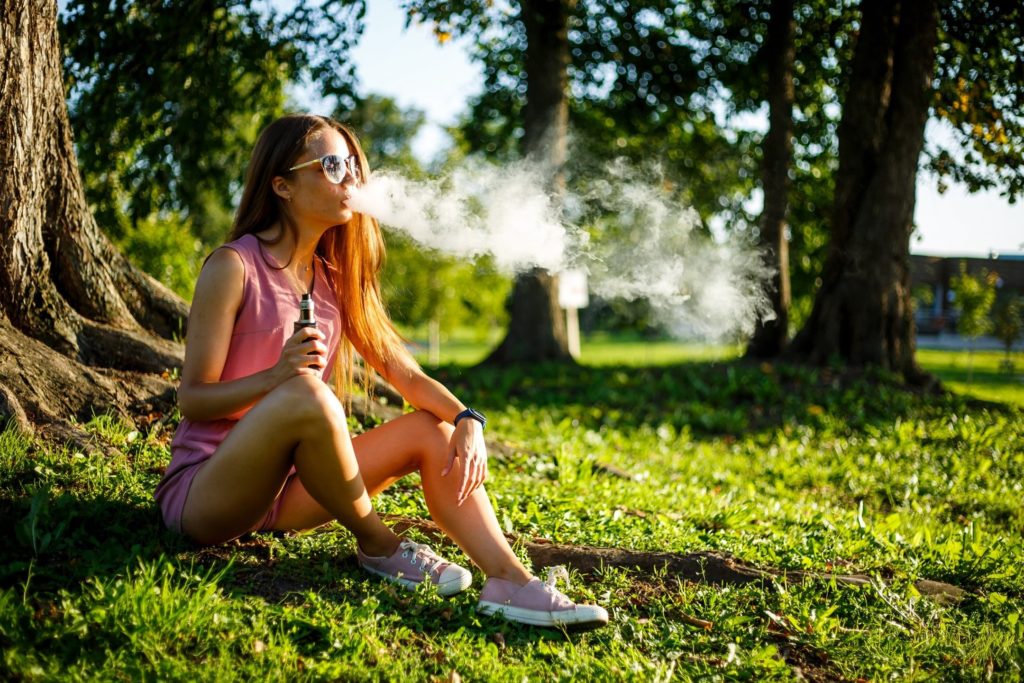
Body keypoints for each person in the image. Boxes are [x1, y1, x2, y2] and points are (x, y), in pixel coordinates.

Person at [153, 113, 608, 628]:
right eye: (330, 165)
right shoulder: (233, 267)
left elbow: (407, 378)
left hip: (288, 497)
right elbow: (193, 399)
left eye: (351, 165)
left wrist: (467, 419)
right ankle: (378, 543)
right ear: (282, 185)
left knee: (431, 429)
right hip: (208, 496)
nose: (349, 177)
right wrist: (277, 378)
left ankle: (511, 581)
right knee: (308, 394)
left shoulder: (336, 281)